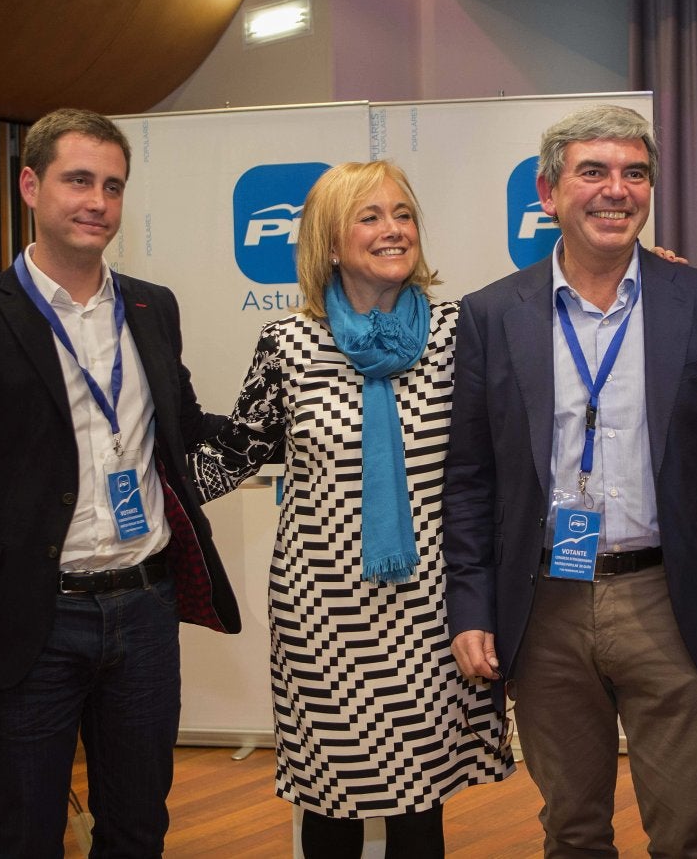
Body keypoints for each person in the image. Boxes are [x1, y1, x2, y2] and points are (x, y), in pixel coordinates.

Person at [443, 104, 697, 858]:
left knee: (686, 830)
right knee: (571, 831)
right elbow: (471, 480)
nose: (617, 189)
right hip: (544, 606)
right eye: (594, 172)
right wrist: (471, 606)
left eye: (634, 173)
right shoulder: (489, 314)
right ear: (548, 194)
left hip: (667, 596)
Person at [0, 107, 240, 858]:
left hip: (145, 610)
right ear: (30, 185)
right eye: (78, 180)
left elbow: (182, 427)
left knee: (138, 829)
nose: (98, 202)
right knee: (23, 834)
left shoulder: (153, 307)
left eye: (113, 186)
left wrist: (289, 411)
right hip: (32, 620)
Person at [188, 160, 513, 858]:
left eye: (402, 213)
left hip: (431, 610)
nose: (393, 229)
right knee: (331, 792)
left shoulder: (463, 332)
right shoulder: (289, 344)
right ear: (330, 244)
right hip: (322, 615)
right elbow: (234, 454)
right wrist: (121, 482)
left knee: (420, 795)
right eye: (370, 216)